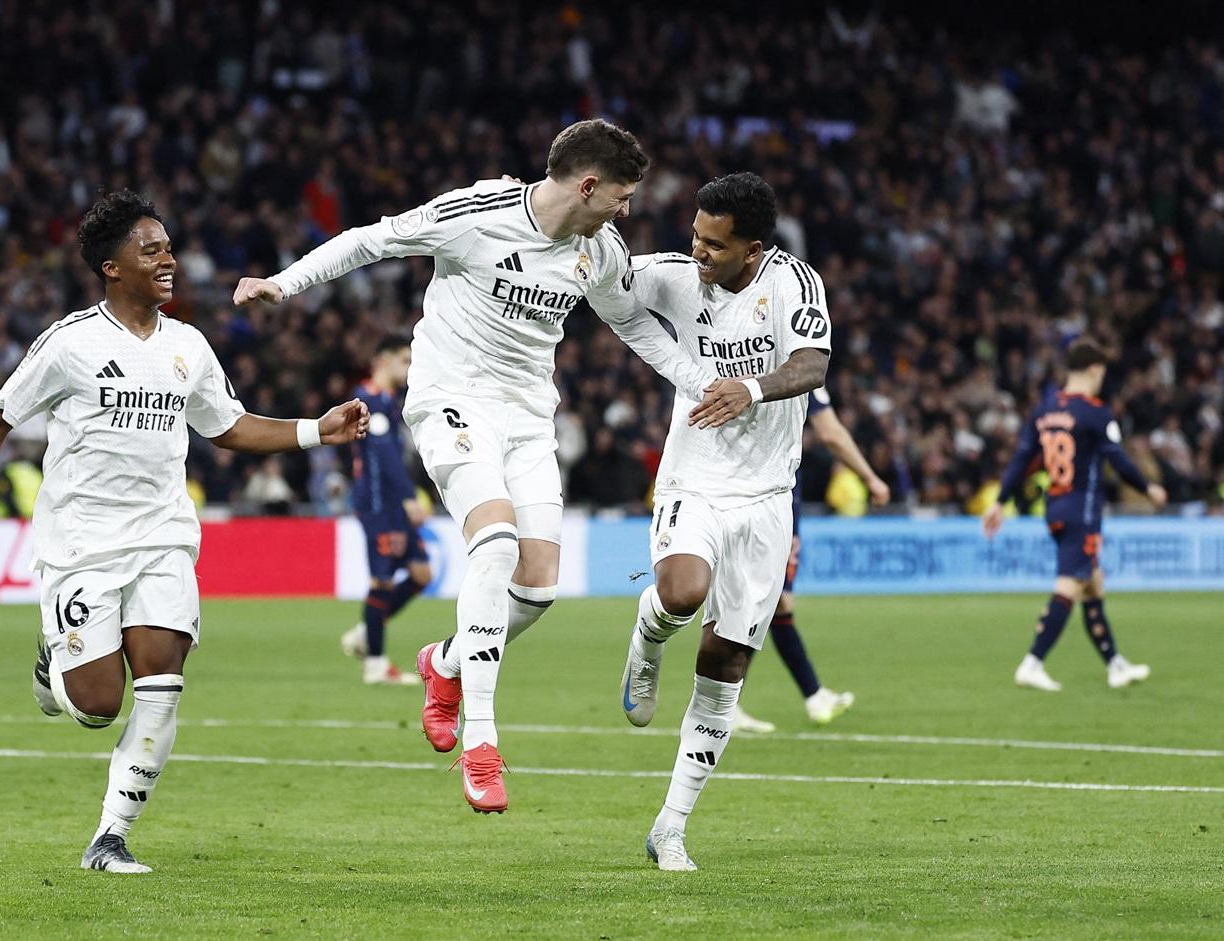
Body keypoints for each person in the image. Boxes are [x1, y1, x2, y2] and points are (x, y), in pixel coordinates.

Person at [234, 119, 728, 814]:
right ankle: (482, 742)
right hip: (452, 399)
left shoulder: (598, 250)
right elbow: (372, 239)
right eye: (620, 198)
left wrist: (699, 382)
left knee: (539, 587)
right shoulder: (480, 213)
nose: (625, 212)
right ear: (588, 186)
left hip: (528, 419)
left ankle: (445, 662)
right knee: (494, 547)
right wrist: (284, 284)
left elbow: (632, 322)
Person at [0, 190, 368, 874]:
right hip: (83, 543)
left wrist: (315, 430)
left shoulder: (188, 345)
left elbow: (227, 426)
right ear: (112, 267)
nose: (168, 260)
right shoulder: (71, 343)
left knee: (162, 683)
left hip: (163, 537)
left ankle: (111, 836)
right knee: (98, 705)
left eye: (168, 247)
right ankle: (53, 658)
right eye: (150, 250)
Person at [616, 172, 831, 871]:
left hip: (767, 495)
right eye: (695, 236)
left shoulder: (793, 284)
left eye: (714, 243)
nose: (698, 251)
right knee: (681, 591)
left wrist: (751, 388)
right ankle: (648, 638)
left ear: (753, 249)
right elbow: (603, 277)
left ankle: (670, 827)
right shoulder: (677, 276)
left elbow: (812, 364)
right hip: (695, 477)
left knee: (725, 664)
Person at [982, 338, 1166, 692]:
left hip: (1055, 506)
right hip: (1082, 509)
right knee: (1070, 584)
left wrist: (999, 501)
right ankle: (1032, 662)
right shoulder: (1095, 412)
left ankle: (1115, 665)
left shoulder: (1045, 409)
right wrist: (1148, 488)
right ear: (1095, 369)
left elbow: (1022, 458)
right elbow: (1118, 459)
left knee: (1093, 583)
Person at [733, 386, 890, 732]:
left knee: (774, 602)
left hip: (751, 489)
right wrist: (870, 477)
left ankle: (809, 695)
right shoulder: (801, 372)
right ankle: (723, 704)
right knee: (762, 601)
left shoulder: (742, 363)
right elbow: (831, 433)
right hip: (771, 496)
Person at [339, 334, 430, 685]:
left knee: (421, 574)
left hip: (393, 503)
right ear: (382, 360)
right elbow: (384, 454)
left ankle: (366, 631)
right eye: (404, 361)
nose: (409, 368)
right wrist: (409, 497)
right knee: (382, 580)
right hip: (379, 505)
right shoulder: (369, 400)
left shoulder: (389, 401)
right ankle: (375, 665)